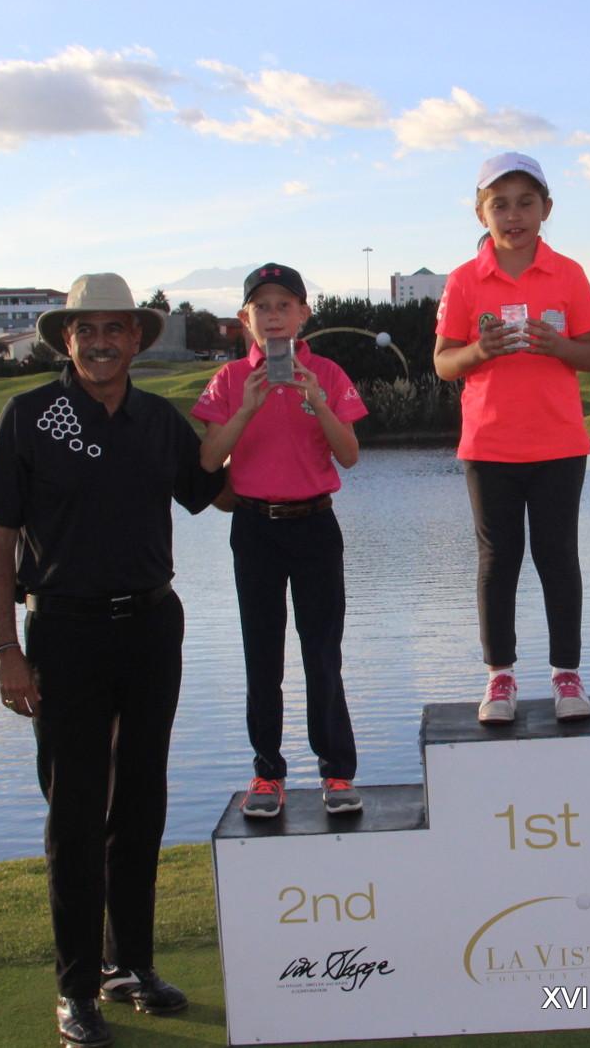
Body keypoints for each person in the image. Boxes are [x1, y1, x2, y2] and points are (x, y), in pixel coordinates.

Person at [0, 273, 225, 1047]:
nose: (102, 342)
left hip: (151, 625)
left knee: (141, 803)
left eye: (116, 329)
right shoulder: (30, 416)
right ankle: (76, 987)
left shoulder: (157, 419)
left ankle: (130, 965)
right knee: (76, 813)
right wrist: (7, 649)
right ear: (68, 340)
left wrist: (263, 411)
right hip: (64, 634)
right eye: (88, 330)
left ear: (137, 339)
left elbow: (212, 490)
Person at [433, 152, 590, 724]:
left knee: (558, 557)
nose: (513, 216)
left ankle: (566, 674)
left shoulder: (569, 273)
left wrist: (559, 347)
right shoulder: (464, 280)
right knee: (497, 560)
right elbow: (443, 363)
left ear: (546, 208)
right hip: (489, 446)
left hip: (559, 444)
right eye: (500, 205)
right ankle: (499, 676)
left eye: (525, 203)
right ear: (480, 213)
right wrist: (479, 351)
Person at [192, 263, 367, 818]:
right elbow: (208, 459)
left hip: (315, 526)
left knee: (323, 652)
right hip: (255, 528)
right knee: (262, 654)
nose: (273, 317)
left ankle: (336, 771)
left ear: (303, 314)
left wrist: (317, 400)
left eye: (284, 306)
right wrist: (247, 406)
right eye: (261, 307)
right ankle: (267, 772)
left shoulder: (327, 373)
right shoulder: (229, 380)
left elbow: (349, 454)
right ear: (245, 318)